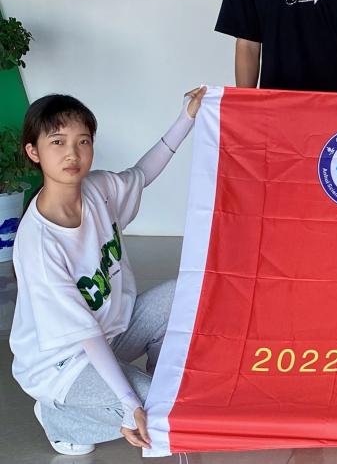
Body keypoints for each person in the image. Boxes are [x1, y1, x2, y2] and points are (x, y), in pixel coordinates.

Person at [10, 89, 205, 454]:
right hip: (62, 364)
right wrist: (130, 401)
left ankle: (154, 389)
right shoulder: (39, 242)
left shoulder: (97, 189)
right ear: (33, 152)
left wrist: (187, 116)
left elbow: (142, 174)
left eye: (82, 141)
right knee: (157, 414)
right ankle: (60, 419)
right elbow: (85, 334)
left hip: (112, 331)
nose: (72, 153)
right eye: (57, 142)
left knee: (189, 296)